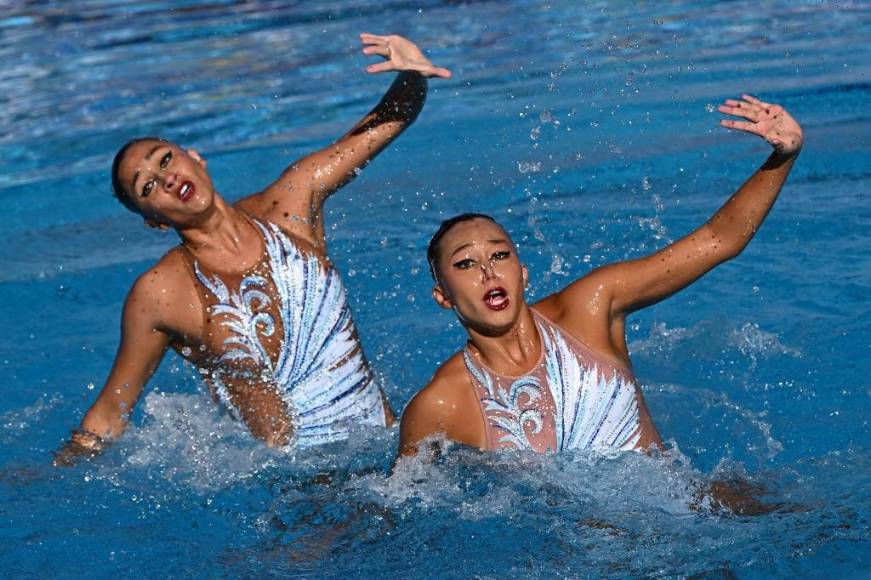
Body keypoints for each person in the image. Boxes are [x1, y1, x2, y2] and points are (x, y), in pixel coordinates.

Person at [56, 33, 452, 462]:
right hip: (298, 490)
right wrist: (50, 480)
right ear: (153, 219)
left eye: (165, 159)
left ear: (194, 158)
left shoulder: (291, 202)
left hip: (390, 461)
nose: (166, 178)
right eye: (148, 186)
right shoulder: (161, 293)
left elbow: (386, 121)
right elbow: (113, 410)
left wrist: (412, 76)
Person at [399, 95, 802, 458]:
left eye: (500, 255)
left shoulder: (590, 307)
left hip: (691, 515)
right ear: (443, 297)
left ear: (522, 273)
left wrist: (782, 157)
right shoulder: (441, 405)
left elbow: (718, 240)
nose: (488, 271)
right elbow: (399, 509)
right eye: (466, 264)